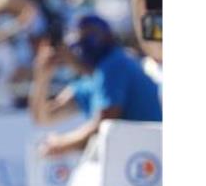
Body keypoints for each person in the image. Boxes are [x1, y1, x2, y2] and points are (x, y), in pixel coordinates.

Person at [29, 13, 162, 156]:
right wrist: (42, 78)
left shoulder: (115, 63)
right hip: (132, 156)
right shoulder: (90, 79)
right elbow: (43, 118)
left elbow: (105, 123)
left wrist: (62, 144)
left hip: (147, 154)